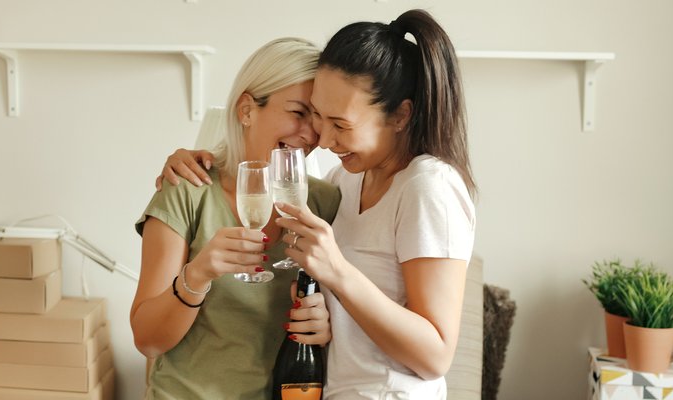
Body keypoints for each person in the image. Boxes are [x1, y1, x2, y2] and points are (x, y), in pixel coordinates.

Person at [153, 10, 477, 399]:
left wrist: (337, 272)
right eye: (320, 118)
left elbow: (436, 356)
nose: (322, 140)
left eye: (340, 125)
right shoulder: (347, 180)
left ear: (400, 115)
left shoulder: (429, 187)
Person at [131, 37, 343, 399]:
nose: (310, 134)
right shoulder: (186, 189)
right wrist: (198, 274)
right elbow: (147, 340)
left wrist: (327, 329)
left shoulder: (324, 203)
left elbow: (350, 311)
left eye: (319, 118)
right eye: (297, 112)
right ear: (247, 109)